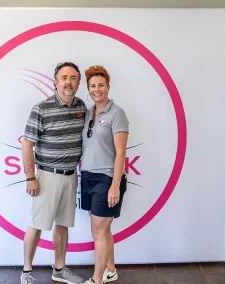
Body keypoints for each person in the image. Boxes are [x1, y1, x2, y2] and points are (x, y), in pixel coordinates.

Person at [20, 62, 87, 284]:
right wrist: (30, 177)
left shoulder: (81, 107)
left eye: (73, 77)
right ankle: (27, 272)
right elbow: (27, 144)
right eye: (64, 77)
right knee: (37, 224)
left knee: (63, 225)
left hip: (71, 176)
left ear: (79, 83)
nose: (68, 81)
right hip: (47, 176)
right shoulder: (41, 108)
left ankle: (59, 269)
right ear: (55, 82)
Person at [80, 65, 129, 284]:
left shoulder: (117, 113)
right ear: (88, 89)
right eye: (93, 86)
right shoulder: (90, 112)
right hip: (88, 176)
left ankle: (96, 280)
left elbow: (120, 152)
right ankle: (111, 269)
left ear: (108, 87)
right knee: (103, 229)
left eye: (101, 85)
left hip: (107, 179)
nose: (97, 89)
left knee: (98, 231)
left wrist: (115, 185)